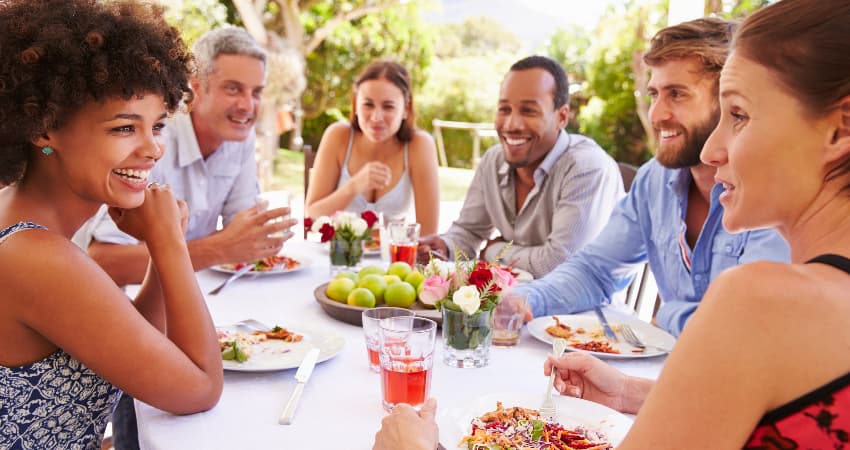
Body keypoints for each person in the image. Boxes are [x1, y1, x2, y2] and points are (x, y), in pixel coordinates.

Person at [375, 0, 850, 447]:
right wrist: (634, 394)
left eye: (740, 115)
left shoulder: (759, 299)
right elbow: (768, 399)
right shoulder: (815, 294)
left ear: (840, 128)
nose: (711, 151)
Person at [0, 1, 223, 448]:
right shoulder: (38, 258)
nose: (154, 149)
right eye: (125, 128)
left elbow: (124, 343)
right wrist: (168, 242)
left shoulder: (21, 221)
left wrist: (163, 255)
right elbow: (199, 388)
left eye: (157, 125)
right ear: (45, 128)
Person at [513, 18, 790, 336]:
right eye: (654, 95)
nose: (656, 115)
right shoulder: (655, 180)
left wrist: (667, 316)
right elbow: (596, 270)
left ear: (728, 100)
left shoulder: (771, 194)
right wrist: (525, 299)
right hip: (668, 376)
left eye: (677, 94)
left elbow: (745, 329)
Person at [84, 27, 296, 287]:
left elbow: (240, 232)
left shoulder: (240, 137)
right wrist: (219, 248)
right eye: (233, 89)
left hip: (197, 290)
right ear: (195, 89)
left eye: (256, 92)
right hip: (129, 304)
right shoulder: (153, 140)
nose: (247, 106)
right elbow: (103, 261)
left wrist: (249, 238)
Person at [417, 56, 623, 279]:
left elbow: (560, 264)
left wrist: (494, 251)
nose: (511, 124)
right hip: (513, 303)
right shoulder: (493, 161)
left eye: (528, 111)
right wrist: (444, 246)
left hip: (583, 311)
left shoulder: (585, 168)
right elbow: (469, 231)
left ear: (561, 117)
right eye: (504, 109)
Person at [305, 61, 440, 235]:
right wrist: (354, 185)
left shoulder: (419, 145)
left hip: (392, 259)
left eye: (388, 106)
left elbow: (428, 235)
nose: (376, 117)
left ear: (406, 108)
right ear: (356, 104)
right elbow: (313, 215)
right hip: (339, 259)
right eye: (368, 104)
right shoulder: (338, 136)